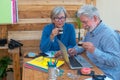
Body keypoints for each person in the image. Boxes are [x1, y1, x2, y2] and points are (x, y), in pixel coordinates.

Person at [68, 5, 120, 80]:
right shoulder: (90, 31)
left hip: (107, 75)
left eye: (85, 22)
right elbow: (82, 43)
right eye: (82, 22)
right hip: (92, 68)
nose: (83, 26)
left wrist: (94, 50)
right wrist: (75, 49)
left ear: (95, 18)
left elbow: (116, 61)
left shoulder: (109, 35)